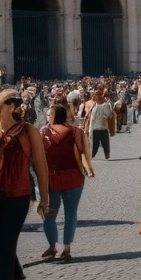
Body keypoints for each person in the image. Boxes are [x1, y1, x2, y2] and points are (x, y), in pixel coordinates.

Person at [0, 88, 50, 280]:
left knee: (6, 243)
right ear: (0, 109)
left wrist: (44, 199)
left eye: (19, 102)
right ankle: (18, 278)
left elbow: (41, 167)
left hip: (19, 196)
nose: (18, 107)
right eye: (12, 103)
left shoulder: (29, 132)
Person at [39, 104, 93, 261]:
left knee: (49, 213)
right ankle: (67, 248)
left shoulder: (43, 132)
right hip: (73, 177)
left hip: (52, 177)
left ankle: (52, 246)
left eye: (49, 114)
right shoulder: (76, 131)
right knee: (70, 213)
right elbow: (84, 151)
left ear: (55, 116)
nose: (48, 117)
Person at [84, 87, 115, 160]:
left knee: (105, 144)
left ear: (101, 95)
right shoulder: (93, 105)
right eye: (94, 95)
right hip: (94, 128)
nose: (95, 96)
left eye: (97, 94)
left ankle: (107, 156)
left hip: (103, 128)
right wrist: (88, 129)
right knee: (95, 145)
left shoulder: (105, 105)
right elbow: (90, 118)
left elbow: (109, 114)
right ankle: (92, 156)